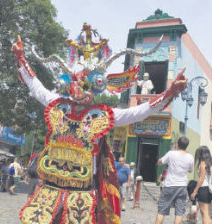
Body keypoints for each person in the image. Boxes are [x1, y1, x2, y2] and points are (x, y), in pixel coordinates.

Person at [11, 30, 187, 223]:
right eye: (77, 82)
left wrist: (170, 92)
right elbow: (36, 87)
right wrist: (21, 58)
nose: (81, 89)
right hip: (50, 189)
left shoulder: (103, 114)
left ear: (96, 86)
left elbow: (138, 112)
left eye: (86, 84)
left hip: (83, 193)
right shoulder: (58, 105)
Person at [155, 136, 194, 224]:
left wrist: (160, 160)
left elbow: (160, 162)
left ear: (177, 144)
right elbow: (190, 170)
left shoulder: (171, 153)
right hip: (182, 186)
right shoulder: (190, 157)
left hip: (169, 185)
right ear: (187, 146)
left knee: (161, 211)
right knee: (179, 213)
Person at [190, 146, 212, 224]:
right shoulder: (210, 163)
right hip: (209, 190)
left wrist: (194, 191)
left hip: (203, 189)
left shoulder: (203, 164)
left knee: (204, 214)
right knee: (207, 214)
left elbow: (201, 179)